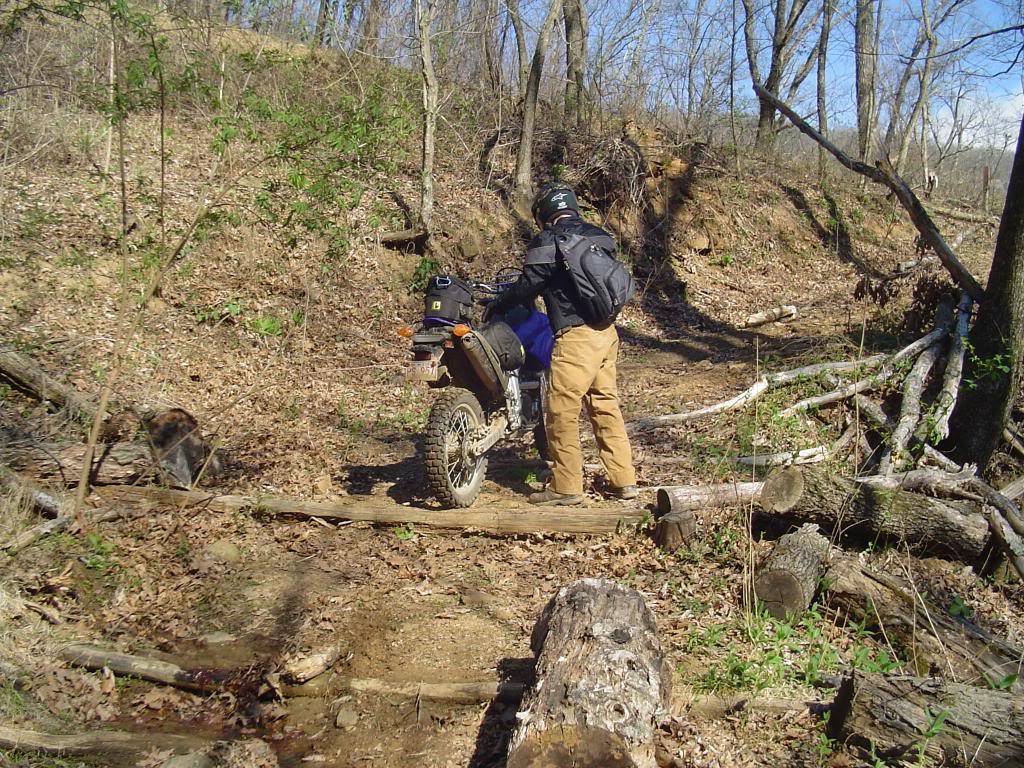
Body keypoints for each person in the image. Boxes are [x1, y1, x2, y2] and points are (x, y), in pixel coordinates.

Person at [488, 183, 638, 506]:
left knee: (559, 410)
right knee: (605, 405)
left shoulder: (549, 240)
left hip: (576, 338)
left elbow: (528, 286)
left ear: (544, 215)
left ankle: (566, 486)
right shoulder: (597, 235)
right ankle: (624, 480)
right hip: (607, 334)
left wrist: (500, 302)